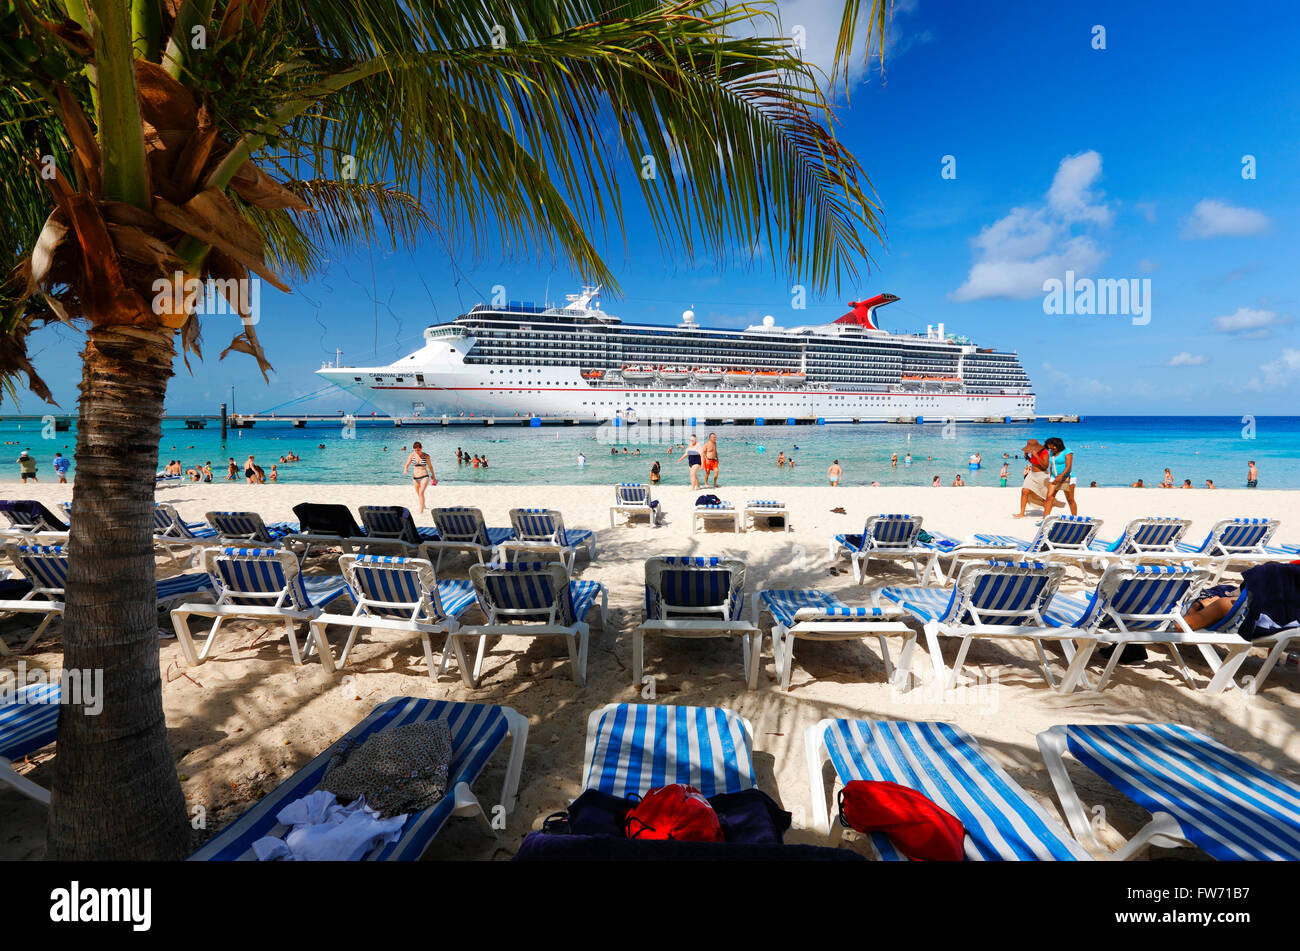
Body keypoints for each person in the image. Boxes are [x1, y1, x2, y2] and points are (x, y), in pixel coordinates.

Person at [1014, 439, 1052, 518]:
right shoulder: (1033, 452)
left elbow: (1045, 466)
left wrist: (1037, 456)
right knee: (1024, 491)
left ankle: (1046, 514)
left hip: (1042, 475)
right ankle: (1022, 513)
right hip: (1032, 474)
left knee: (1043, 495)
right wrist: (1027, 456)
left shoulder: (1045, 452)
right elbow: (1034, 462)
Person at [1042, 436, 1078, 516]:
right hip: (1054, 477)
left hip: (1067, 478)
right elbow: (1052, 464)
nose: (1051, 450)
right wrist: (1051, 475)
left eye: (1052, 448)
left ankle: (1074, 517)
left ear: (1058, 445)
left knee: (1070, 499)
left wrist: (1060, 476)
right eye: (1050, 448)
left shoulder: (1067, 451)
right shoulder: (1051, 452)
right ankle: (1045, 518)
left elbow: (1068, 466)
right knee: (1049, 497)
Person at [403, 441, 435, 513]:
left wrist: (433, 475)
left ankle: (421, 511)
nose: (417, 451)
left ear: (421, 448)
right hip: (415, 477)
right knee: (419, 494)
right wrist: (405, 469)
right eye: (415, 450)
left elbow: (430, 466)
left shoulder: (426, 456)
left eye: (418, 450)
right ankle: (423, 505)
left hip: (424, 476)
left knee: (421, 493)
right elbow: (406, 464)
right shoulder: (412, 455)